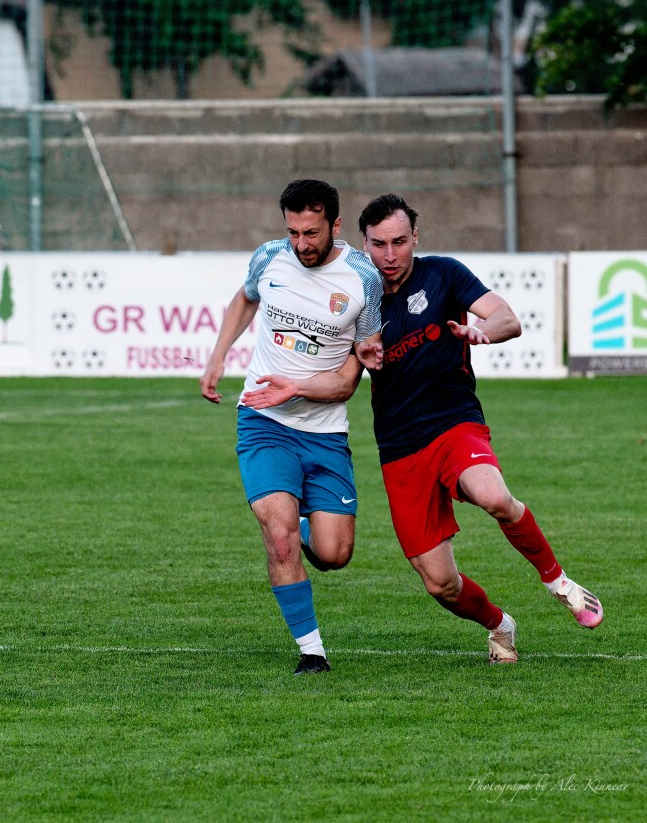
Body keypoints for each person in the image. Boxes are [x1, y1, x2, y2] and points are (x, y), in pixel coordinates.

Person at [242, 193, 603, 664]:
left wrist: (481, 332)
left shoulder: (444, 274)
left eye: (399, 242)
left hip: (455, 425)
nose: (389, 256)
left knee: (493, 496)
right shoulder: (355, 295)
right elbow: (344, 377)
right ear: (361, 243)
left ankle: (559, 583)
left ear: (416, 237)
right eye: (378, 245)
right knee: (441, 584)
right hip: (399, 449)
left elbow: (507, 317)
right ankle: (500, 625)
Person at [200, 179, 382, 675]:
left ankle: (305, 526)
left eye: (312, 232)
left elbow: (349, 380)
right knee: (278, 538)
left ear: (336, 225)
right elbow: (245, 299)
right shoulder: (269, 257)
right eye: (293, 231)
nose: (301, 244)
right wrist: (217, 359)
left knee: (334, 554)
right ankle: (312, 652)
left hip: (324, 431)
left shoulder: (363, 279)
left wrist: (295, 388)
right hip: (263, 421)